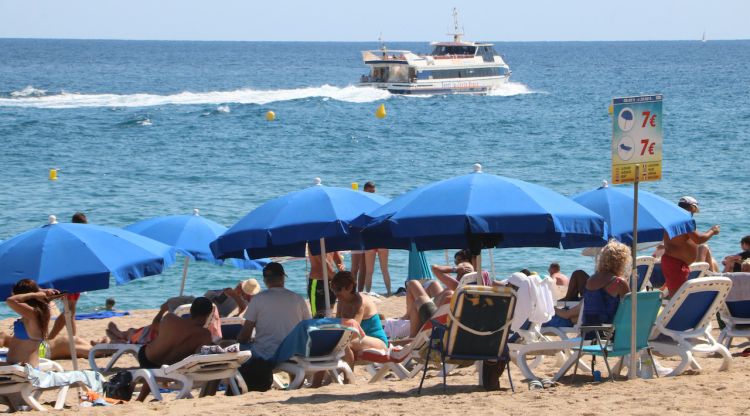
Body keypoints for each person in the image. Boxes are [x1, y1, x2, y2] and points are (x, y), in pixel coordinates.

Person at [237, 262, 311, 392]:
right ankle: (294, 382)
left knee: (242, 346)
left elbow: (245, 334)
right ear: (283, 278)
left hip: (266, 354)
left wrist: (241, 341)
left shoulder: (258, 299)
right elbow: (308, 328)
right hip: (294, 352)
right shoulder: (298, 299)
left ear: (265, 281)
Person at [135, 297, 213, 401]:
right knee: (159, 368)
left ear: (191, 310)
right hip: (171, 368)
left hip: (147, 358)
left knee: (153, 369)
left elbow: (154, 326)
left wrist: (162, 311)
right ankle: (141, 397)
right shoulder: (205, 335)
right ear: (209, 315)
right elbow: (199, 355)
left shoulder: (170, 319)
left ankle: (140, 397)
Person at [662, 196, 720, 296]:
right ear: (692, 208)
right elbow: (698, 239)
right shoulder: (684, 220)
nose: (693, 213)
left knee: (679, 296)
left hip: (675, 263)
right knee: (679, 297)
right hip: (676, 264)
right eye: (694, 210)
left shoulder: (673, 220)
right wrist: (712, 231)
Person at [406, 262, 474, 337]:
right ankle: (408, 316)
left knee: (414, 285)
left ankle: (412, 336)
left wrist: (455, 269)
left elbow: (435, 268)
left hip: (438, 323)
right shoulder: (477, 291)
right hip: (448, 316)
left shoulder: (457, 286)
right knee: (434, 284)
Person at [4, 279, 61, 367]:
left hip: (22, 370)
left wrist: (35, 294)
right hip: (19, 367)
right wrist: (41, 291)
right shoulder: (40, 311)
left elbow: (10, 300)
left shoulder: (33, 313)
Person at [331, 271, 388, 358]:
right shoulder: (342, 300)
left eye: (338, 289)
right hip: (360, 339)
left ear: (349, 287)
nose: (336, 293)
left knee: (345, 344)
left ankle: (348, 371)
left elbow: (354, 331)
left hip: (378, 341)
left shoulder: (360, 303)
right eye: (333, 289)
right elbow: (338, 322)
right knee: (337, 343)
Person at [362, 181, 392, 296]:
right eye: (370, 191)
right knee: (369, 270)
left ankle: (389, 292)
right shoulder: (366, 204)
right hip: (369, 239)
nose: (372, 194)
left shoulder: (377, 202)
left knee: (384, 268)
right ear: (365, 190)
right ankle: (368, 292)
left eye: (373, 191)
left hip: (381, 239)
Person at [308, 249, 345, 317]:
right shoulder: (314, 241)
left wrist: (341, 266)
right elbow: (323, 262)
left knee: (329, 313)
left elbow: (336, 256)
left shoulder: (330, 240)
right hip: (317, 281)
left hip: (331, 281)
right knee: (318, 315)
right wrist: (338, 278)